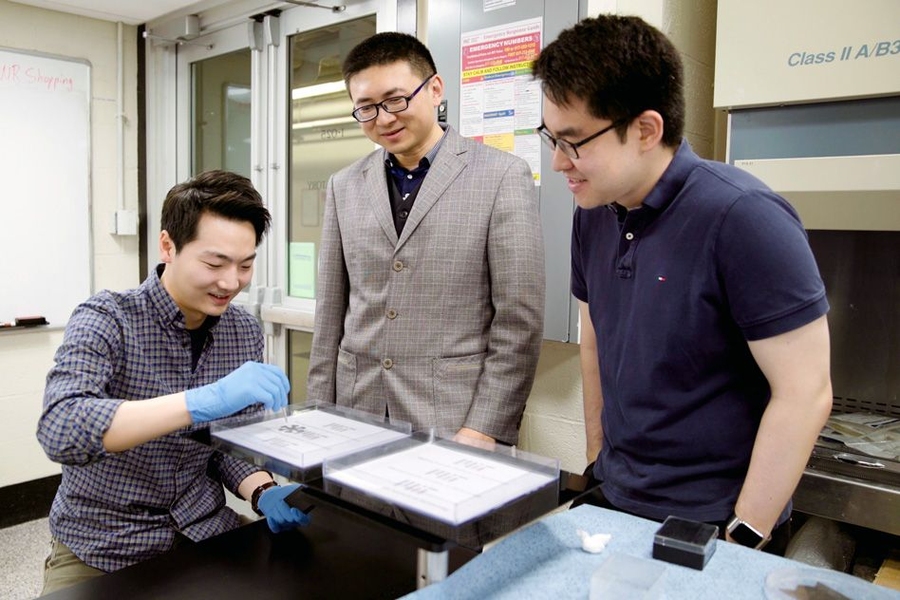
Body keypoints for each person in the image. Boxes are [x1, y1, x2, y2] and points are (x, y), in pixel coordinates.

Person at [532, 15, 832, 554]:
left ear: (646, 130)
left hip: (716, 519)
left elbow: (805, 391)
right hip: (617, 495)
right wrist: (599, 462)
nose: (557, 162)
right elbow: (595, 337)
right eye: (551, 137)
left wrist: (745, 533)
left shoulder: (744, 217)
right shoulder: (594, 210)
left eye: (573, 142)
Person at [36, 170, 310, 594]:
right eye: (214, 263)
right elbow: (62, 429)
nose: (230, 282)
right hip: (104, 543)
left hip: (204, 530)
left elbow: (227, 446)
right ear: (168, 246)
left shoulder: (241, 330)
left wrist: (263, 491)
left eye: (246, 264)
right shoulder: (108, 318)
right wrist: (203, 400)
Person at [306, 32, 545, 446]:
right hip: (356, 412)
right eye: (365, 108)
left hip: (454, 418)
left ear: (435, 89)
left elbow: (517, 321)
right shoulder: (343, 185)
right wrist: (319, 416)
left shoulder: (502, 175)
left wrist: (484, 427)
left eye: (395, 100)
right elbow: (330, 314)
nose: (383, 119)